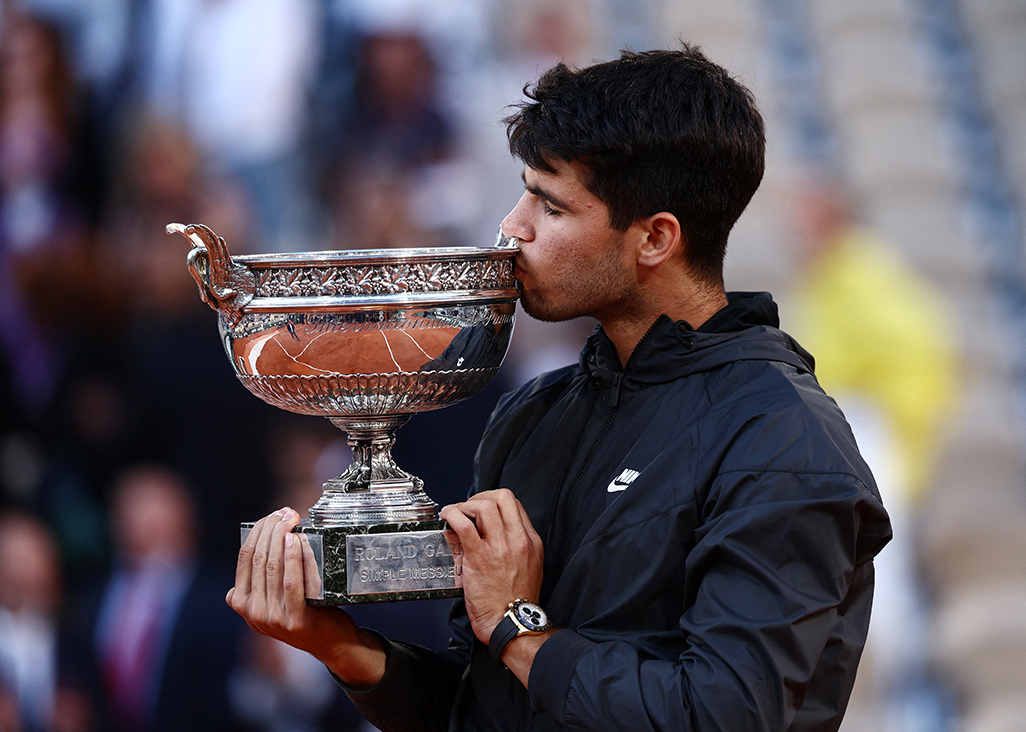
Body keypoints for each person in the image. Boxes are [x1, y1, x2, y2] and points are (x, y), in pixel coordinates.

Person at [227, 45, 892, 731]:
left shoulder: (784, 438)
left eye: (548, 204)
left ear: (655, 238)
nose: (512, 227)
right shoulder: (534, 414)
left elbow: (724, 715)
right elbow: (487, 703)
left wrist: (518, 627)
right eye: (522, 192)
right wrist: (336, 644)